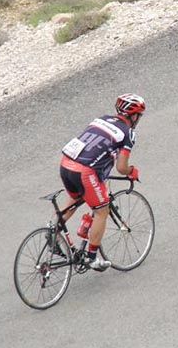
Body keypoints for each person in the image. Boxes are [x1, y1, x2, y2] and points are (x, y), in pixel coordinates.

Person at [58, 93, 145, 271]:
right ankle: (91, 258)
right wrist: (131, 171)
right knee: (101, 211)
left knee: (75, 200)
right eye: (139, 116)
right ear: (133, 115)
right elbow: (121, 167)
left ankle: (53, 232)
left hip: (66, 164)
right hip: (85, 171)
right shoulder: (128, 133)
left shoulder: (101, 119)